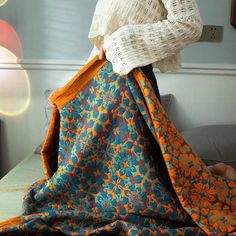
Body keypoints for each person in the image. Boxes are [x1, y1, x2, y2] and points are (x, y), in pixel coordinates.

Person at [88, 0, 236, 181]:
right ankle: (211, 171)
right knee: (105, 169)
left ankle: (212, 174)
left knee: (144, 173)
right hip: (104, 82)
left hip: (133, 81)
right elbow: (102, 45)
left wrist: (120, 40)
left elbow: (189, 23)